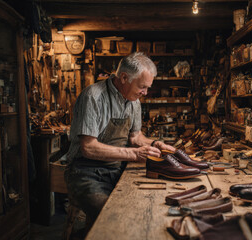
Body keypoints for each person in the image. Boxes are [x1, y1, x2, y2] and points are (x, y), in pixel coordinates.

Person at [64, 52, 175, 231]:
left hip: (116, 169)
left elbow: (135, 137)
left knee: (146, 207)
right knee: (114, 217)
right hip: (85, 172)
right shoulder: (93, 96)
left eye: (147, 87)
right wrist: (134, 153)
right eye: (142, 87)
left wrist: (155, 144)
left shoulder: (134, 101)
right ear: (124, 77)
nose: (145, 93)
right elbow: (88, 148)